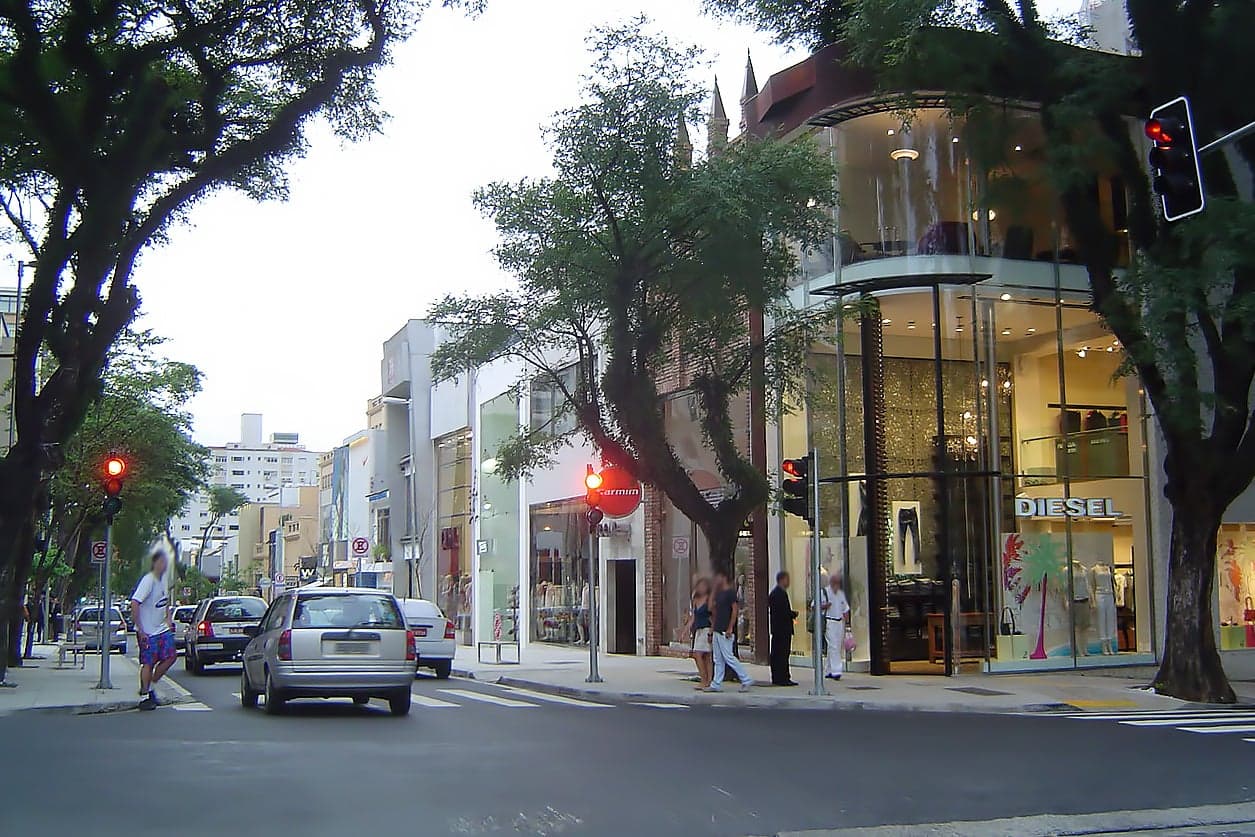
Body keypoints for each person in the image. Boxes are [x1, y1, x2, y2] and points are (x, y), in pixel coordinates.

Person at [130, 549, 175, 710]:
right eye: (162, 562)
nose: (164, 565)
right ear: (155, 563)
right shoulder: (148, 581)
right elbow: (135, 602)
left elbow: (165, 602)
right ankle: (146, 693)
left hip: (161, 629)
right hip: (147, 631)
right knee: (148, 662)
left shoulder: (164, 581)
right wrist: (140, 629)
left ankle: (152, 682)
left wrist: (168, 619)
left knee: (170, 657)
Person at [704, 570, 754, 693]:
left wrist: (730, 627)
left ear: (724, 578)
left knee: (728, 657)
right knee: (717, 659)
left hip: (725, 630)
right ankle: (716, 683)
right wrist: (712, 630)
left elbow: (735, 610)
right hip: (717, 629)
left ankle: (746, 679)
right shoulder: (719, 594)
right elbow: (711, 609)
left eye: (718, 578)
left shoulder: (731, 593)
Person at [768, 571, 797, 686]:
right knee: (781, 654)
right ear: (782, 580)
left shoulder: (776, 593)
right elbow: (782, 612)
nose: (788, 582)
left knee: (780, 653)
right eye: (787, 579)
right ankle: (782, 677)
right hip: (782, 630)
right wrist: (792, 614)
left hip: (778, 629)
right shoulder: (779, 594)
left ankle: (780, 676)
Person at [820, 573, 852, 680]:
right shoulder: (824, 592)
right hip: (829, 621)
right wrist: (825, 606)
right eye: (835, 583)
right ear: (831, 583)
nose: (837, 585)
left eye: (838, 583)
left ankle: (829, 670)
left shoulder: (840, 594)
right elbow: (814, 605)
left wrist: (847, 624)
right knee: (833, 645)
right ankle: (836, 671)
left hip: (839, 622)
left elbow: (845, 609)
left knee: (835, 646)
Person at [685, 578, 713, 689]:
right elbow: (693, 618)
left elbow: (713, 616)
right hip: (698, 630)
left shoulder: (709, 600)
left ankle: (706, 680)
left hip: (706, 629)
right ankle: (706, 680)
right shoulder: (696, 600)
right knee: (703, 656)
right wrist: (685, 631)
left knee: (700, 654)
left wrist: (712, 631)